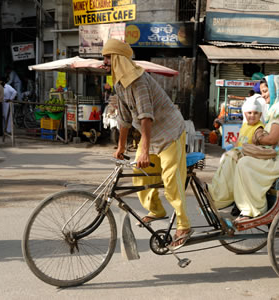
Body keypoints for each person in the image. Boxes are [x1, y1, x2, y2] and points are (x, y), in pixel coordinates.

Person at [101, 39, 192, 250]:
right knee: (141, 177)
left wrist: (143, 149)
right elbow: (124, 119)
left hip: (169, 131)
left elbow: (145, 117)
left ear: (118, 60)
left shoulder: (139, 80)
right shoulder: (119, 84)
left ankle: (184, 225)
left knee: (171, 181)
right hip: (149, 134)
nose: (104, 62)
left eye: (107, 57)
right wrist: (121, 147)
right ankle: (157, 210)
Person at [228, 75, 279, 222]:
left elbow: (272, 139)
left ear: (275, 90)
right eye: (262, 91)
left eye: (266, 91)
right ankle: (247, 206)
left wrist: (258, 138)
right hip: (278, 156)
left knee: (245, 164)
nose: (263, 94)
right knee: (241, 160)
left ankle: (255, 209)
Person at [209, 97, 265, 211]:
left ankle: (224, 196)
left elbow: (258, 146)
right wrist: (234, 145)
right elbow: (239, 141)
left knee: (229, 162)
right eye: (249, 113)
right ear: (245, 114)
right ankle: (219, 191)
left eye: (255, 113)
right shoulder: (245, 126)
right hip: (240, 155)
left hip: (250, 158)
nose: (252, 116)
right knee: (225, 160)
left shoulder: (259, 128)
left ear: (260, 115)